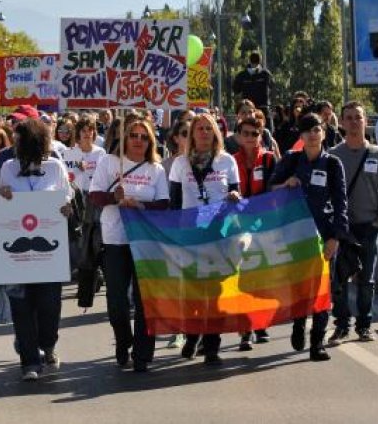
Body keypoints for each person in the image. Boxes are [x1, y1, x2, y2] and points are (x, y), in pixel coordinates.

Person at [89, 117, 169, 372]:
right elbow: (94, 195)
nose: (138, 140)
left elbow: (164, 203)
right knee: (117, 301)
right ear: (125, 139)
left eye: (144, 137)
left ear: (150, 142)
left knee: (145, 299)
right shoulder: (109, 162)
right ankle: (123, 340)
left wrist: (141, 205)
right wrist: (114, 197)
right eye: (134, 135)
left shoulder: (156, 170)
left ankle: (143, 354)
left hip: (145, 240)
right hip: (115, 238)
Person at [0, 118, 74, 381]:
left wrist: (66, 206)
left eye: (22, 139)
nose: (17, 143)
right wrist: (2, 194)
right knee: (21, 306)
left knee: (49, 306)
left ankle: (48, 344)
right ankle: (29, 361)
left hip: (49, 252)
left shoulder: (55, 166)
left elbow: (67, 195)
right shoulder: (7, 167)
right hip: (17, 252)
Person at [270, 113, 348, 362]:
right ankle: (298, 323)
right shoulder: (291, 160)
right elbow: (269, 190)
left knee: (323, 291)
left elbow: (341, 203)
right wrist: (286, 184)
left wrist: (336, 237)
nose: (313, 134)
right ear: (301, 136)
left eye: (317, 129)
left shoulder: (333, 164)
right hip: (295, 237)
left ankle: (317, 343)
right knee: (299, 287)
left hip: (323, 236)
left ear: (323, 133)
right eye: (308, 131)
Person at [168, 113, 241, 365]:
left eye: (209, 128)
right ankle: (192, 334)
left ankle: (212, 344)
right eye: (199, 128)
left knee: (215, 291)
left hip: (218, 234)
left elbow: (236, 195)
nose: (204, 133)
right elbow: (175, 203)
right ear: (191, 134)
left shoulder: (227, 161)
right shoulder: (180, 164)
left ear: (216, 133)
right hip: (191, 235)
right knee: (192, 291)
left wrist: (233, 196)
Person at [328, 102, 378, 345]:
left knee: (367, 279)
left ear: (366, 121)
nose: (354, 122)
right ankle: (342, 325)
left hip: (369, 226)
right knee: (340, 279)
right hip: (343, 229)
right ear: (342, 123)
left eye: (358, 117)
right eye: (349, 118)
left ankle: (364, 325)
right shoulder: (334, 155)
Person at [231, 115, 276, 350]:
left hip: (261, 227)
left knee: (260, 279)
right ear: (238, 136)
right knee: (241, 278)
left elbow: (273, 193)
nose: (250, 138)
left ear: (261, 135)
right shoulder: (230, 161)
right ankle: (245, 330)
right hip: (237, 227)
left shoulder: (269, 160)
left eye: (255, 134)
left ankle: (260, 324)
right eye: (246, 133)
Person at [232, 51, 273, 128]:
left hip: (247, 110)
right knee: (267, 132)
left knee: (241, 130)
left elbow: (236, 90)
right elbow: (272, 89)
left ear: (249, 60)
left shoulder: (241, 75)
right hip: (262, 109)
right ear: (260, 61)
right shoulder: (266, 74)